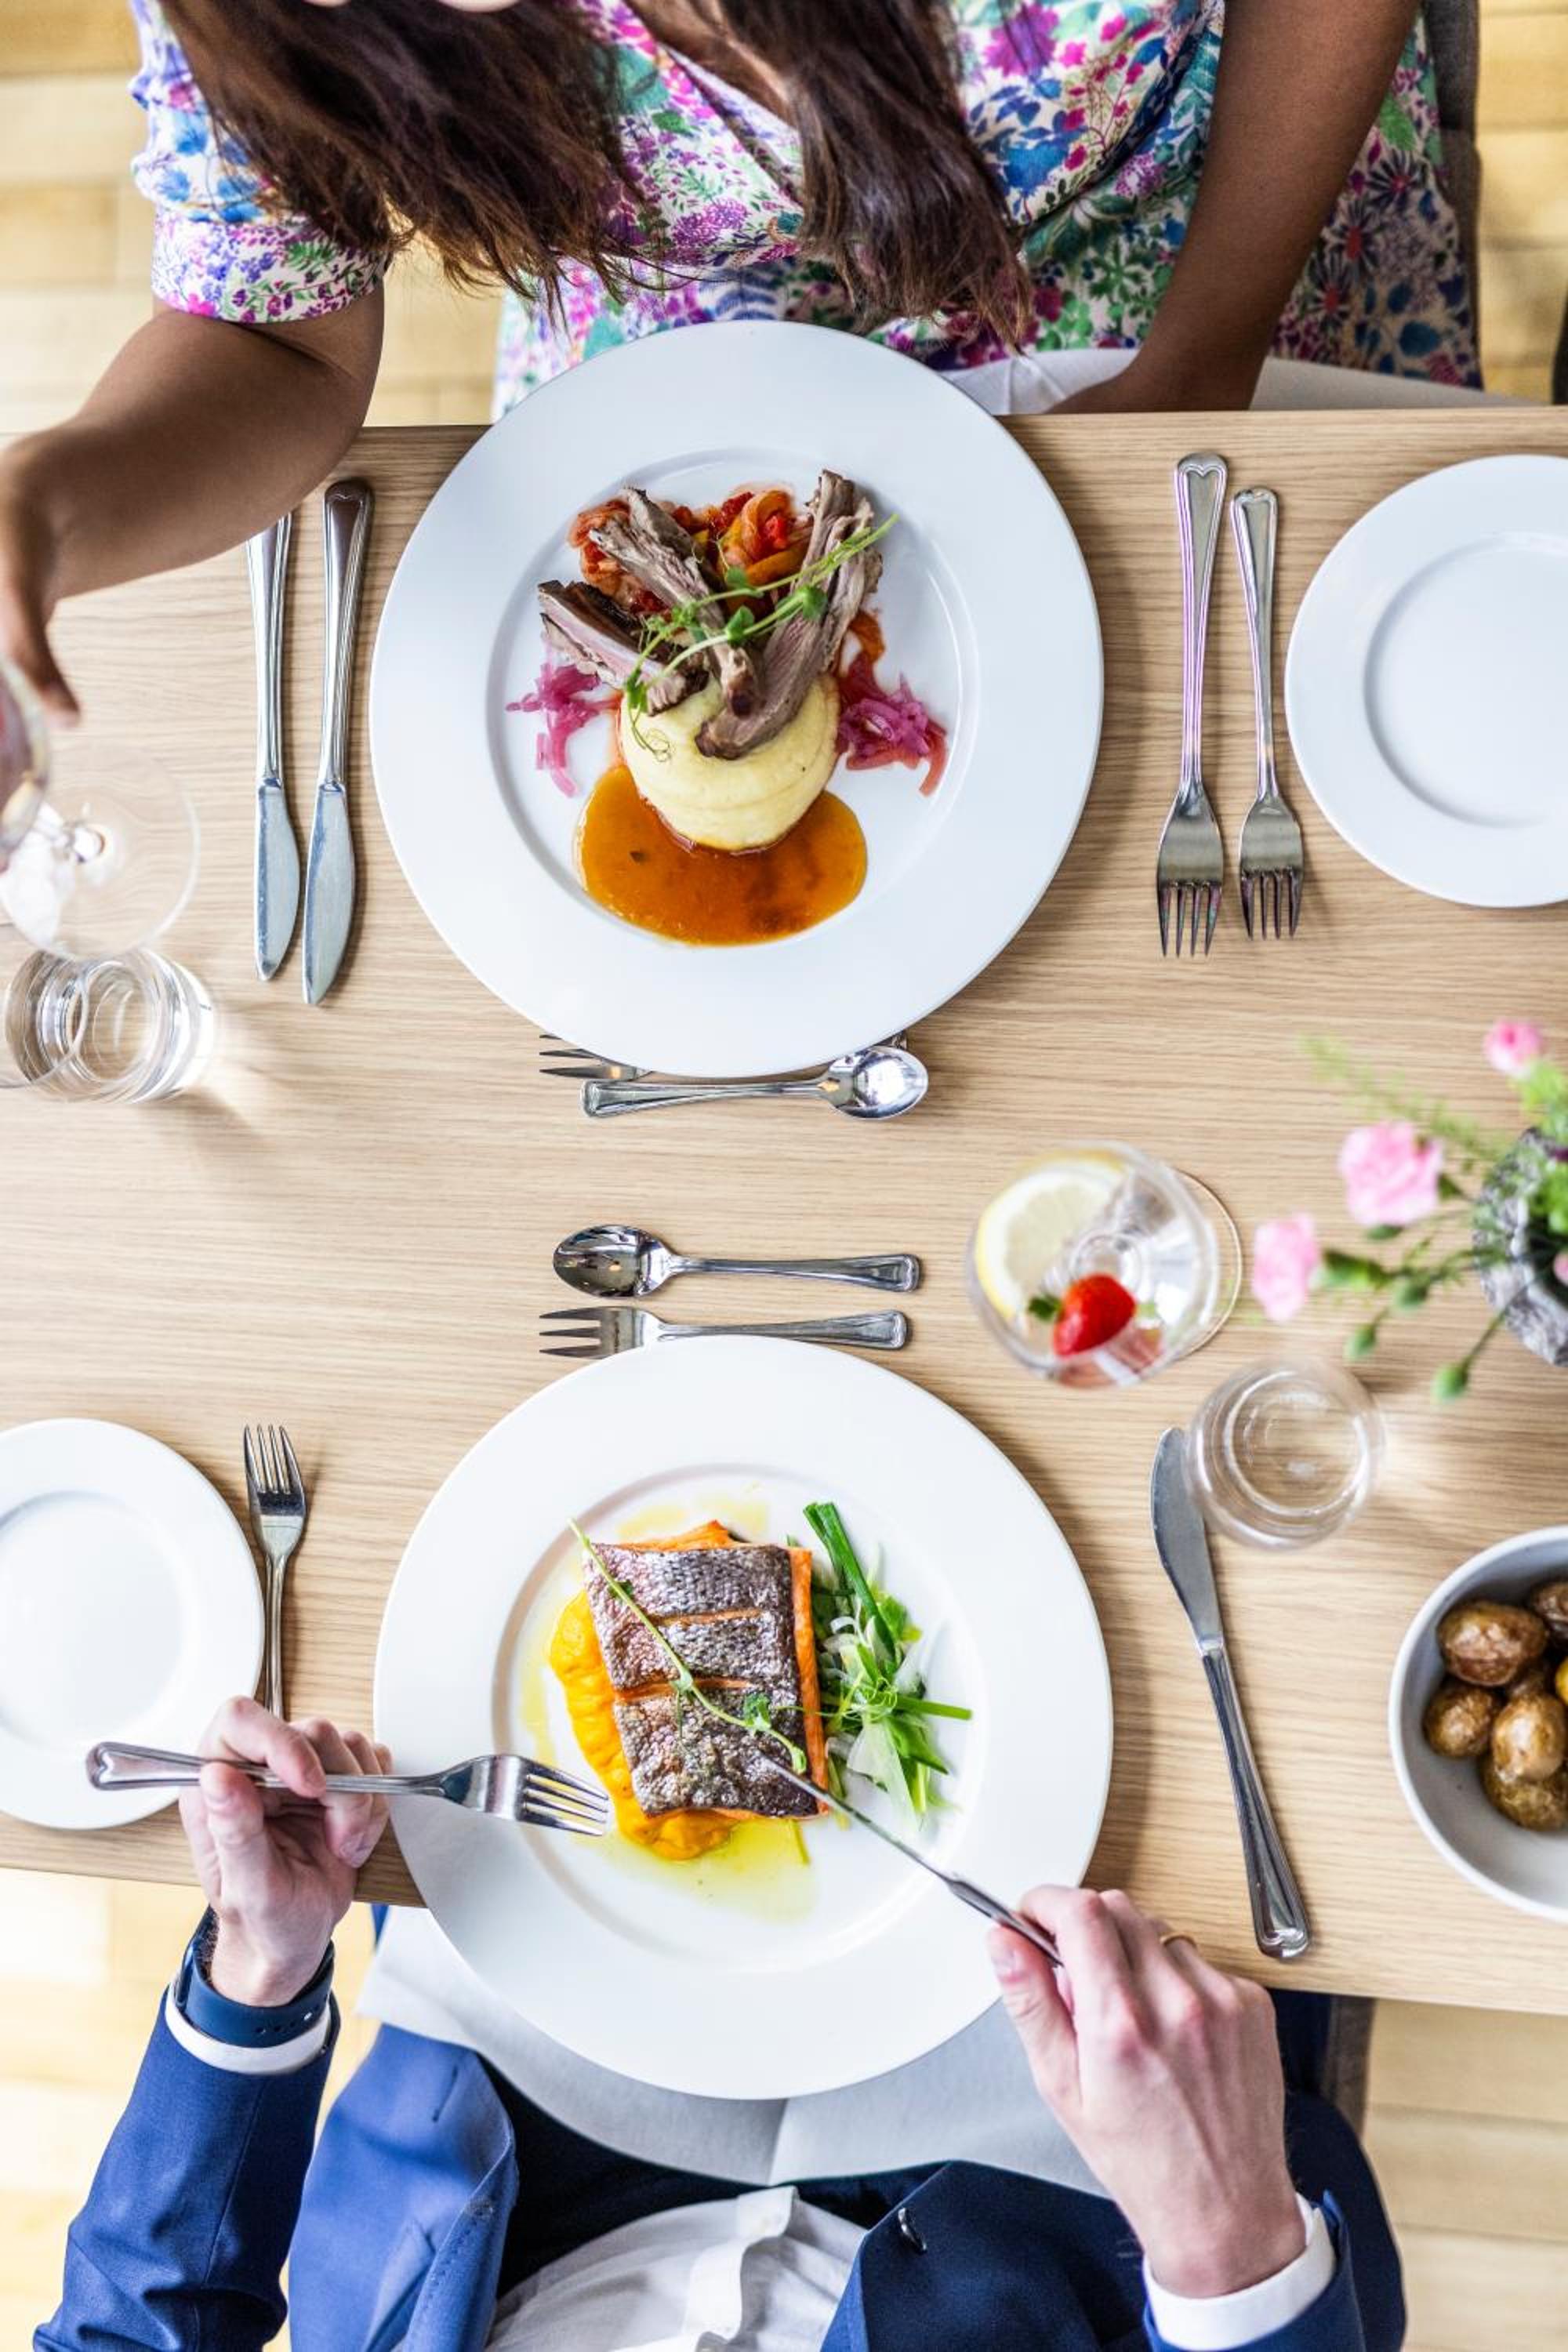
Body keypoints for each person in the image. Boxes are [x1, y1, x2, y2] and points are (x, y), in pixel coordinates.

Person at [1, 1, 1474, 726]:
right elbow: (269, 332)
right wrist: (45, 502)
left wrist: (1200, 361)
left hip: (1211, 235)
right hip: (690, 334)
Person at [36, 1700, 1404, 2350]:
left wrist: (259, 1967)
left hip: (518, 2140)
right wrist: (1223, 2250)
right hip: (1051, 2199)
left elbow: (137, 2330)